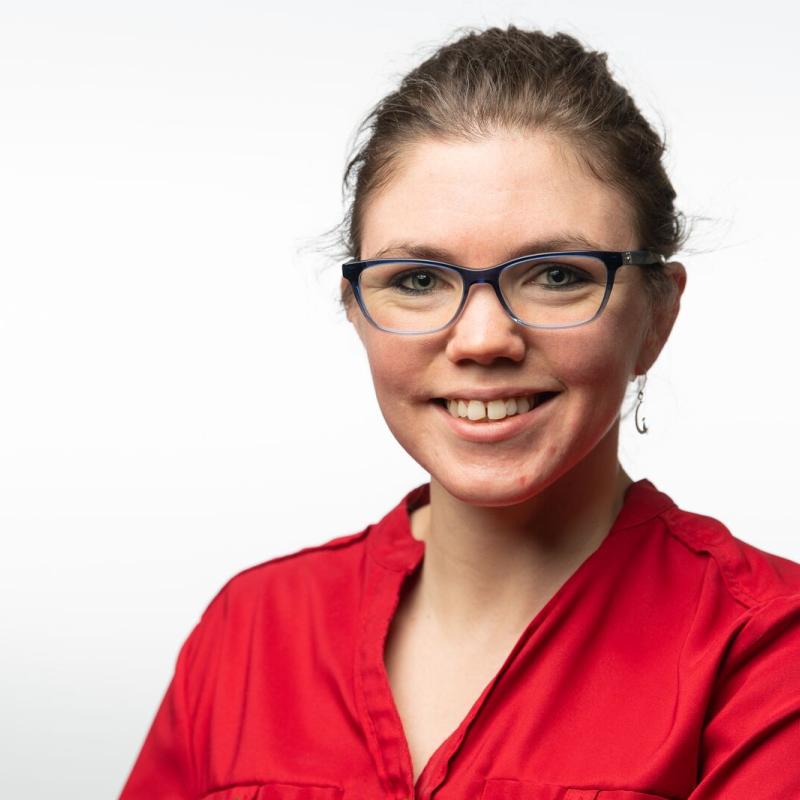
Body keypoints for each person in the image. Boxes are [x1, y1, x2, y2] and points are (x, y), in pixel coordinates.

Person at [119, 25, 800, 800]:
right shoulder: (249, 634)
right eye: (417, 280)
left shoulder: (767, 653)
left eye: (555, 274)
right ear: (355, 308)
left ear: (656, 315)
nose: (482, 339)